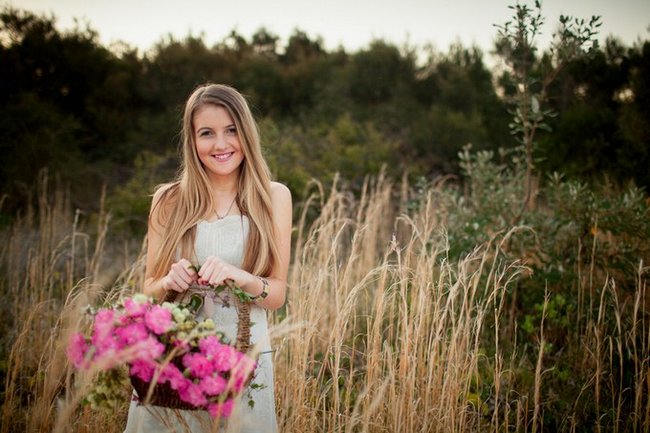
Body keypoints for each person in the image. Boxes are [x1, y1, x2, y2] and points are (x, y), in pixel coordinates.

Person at [124, 83, 292, 433]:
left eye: (231, 130)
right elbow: (149, 290)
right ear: (192, 140)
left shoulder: (274, 197)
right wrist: (169, 281)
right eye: (207, 133)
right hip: (176, 361)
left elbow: (276, 296)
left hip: (244, 360)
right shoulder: (168, 200)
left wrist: (239, 276)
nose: (220, 144)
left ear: (246, 132)